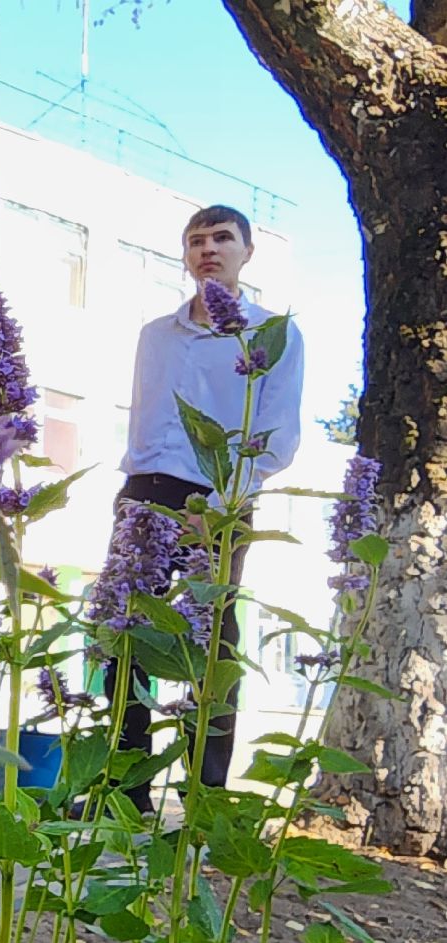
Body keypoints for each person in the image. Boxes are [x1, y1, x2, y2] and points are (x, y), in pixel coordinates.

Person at [110, 204, 304, 813]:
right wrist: (130, 498)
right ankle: (120, 788)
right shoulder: (154, 335)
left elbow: (276, 434)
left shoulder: (274, 335)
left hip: (220, 497)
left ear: (248, 251)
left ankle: (204, 794)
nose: (208, 250)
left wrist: (219, 504)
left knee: (212, 640)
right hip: (145, 491)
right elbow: (146, 417)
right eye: (196, 241)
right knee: (121, 631)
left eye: (222, 238)